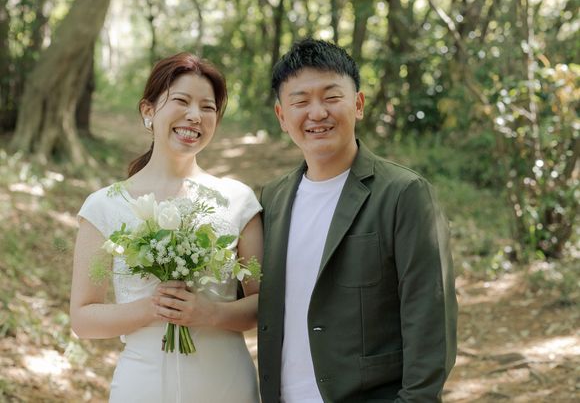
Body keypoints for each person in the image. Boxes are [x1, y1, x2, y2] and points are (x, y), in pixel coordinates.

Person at [257, 39, 457, 403]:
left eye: (331, 97)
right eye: (301, 102)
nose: (317, 113)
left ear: (359, 104)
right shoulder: (273, 199)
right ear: (282, 116)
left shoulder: (404, 194)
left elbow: (430, 322)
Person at [70, 53, 263, 403]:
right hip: (143, 385)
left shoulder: (238, 200)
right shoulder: (104, 205)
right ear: (148, 111)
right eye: (181, 101)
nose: (195, 115)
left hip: (226, 384)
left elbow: (263, 304)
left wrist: (210, 312)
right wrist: (153, 308)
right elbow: (83, 319)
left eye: (207, 107)